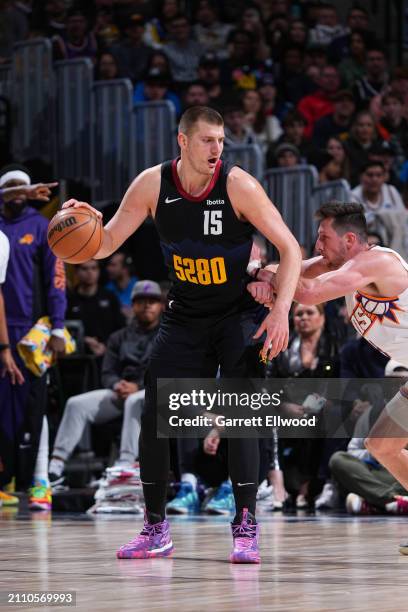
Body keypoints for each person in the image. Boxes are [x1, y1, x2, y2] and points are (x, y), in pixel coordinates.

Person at [61, 105, 302, 564]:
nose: (217, 148)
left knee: (240, 419)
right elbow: (105, 243)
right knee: (155, 414)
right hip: (186, 314)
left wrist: (281, 312)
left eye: (221, 140)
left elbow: (289, 247)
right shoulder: (153, 184)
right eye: (208, 140)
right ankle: (155, 527)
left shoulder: (238, 185)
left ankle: (246, 525)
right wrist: (83, 222)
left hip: (237, 314)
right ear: (184, 141)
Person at [247, 201, 408, 554]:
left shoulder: (375, 262)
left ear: (349, 239)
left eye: (323, 238)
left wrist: (264, 276)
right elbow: (291, 268)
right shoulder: (340, 261)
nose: (318, 246)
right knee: (381, 446)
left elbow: (306, 292)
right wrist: (260, 269)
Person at [49, 280, 163, 490]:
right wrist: (116, 385)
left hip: (154, 394)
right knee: (76, 404)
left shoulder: (167, 337)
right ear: (133, 305)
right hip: (122, 393)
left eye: (152, 301)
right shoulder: (118, 337)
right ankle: (55, 467)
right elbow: (107, 372)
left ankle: (125, 464)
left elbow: (166, 371)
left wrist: (137, 387)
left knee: (134, 401)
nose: (147, 305)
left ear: (161, 306)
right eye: (141, 301)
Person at [0, 167, 65, 506]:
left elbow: (55, 279)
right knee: (4, 410)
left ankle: (40, 479)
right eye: (11, 188)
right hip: (1, 330)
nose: (18, 192)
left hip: (31, 330)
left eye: (23, 187)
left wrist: (57, 326)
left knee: (34, 406)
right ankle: (6, 477)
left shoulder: (41, 225)